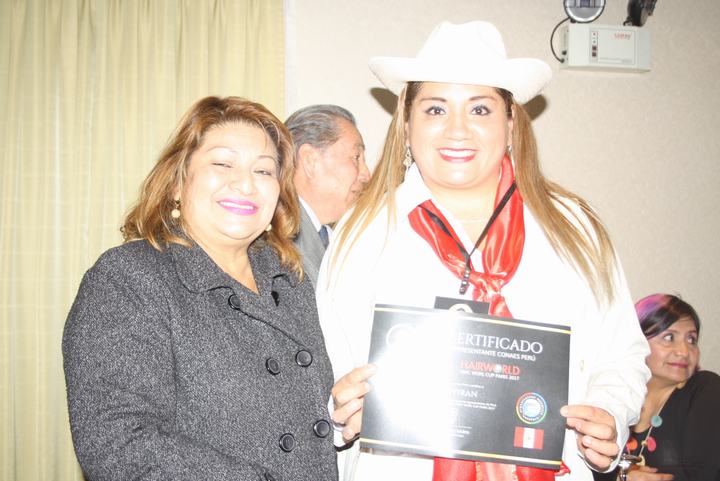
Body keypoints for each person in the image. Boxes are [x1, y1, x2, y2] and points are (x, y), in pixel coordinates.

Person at [315, 21, 651, 481]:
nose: (457, 130)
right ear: (407, 125)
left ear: (510, 123)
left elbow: (622, 353)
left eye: (479, 109)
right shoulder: (362, 235)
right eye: (435, 109)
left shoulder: (574, 229)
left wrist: (608, 414)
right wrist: (339, 410)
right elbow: (325, 366)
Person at [63, 96, 338, 481]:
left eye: (263, 170)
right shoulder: (128, 278)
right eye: (223, 164)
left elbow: (306, 413)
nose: (246, 183)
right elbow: (118, 445)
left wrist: (343, 415)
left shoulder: (292, 279)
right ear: (178, 182)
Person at [594, 294, 720, 481]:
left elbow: (705, 473)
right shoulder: (608, 398)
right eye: (669, 337)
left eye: (691, 339)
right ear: (636, 342)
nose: (684, 351)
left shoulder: (705, 390)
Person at [285, 104, 370, 286]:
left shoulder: (338, 239)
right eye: (356, 157)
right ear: (310, 160)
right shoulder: (276, 240)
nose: (366, 174)